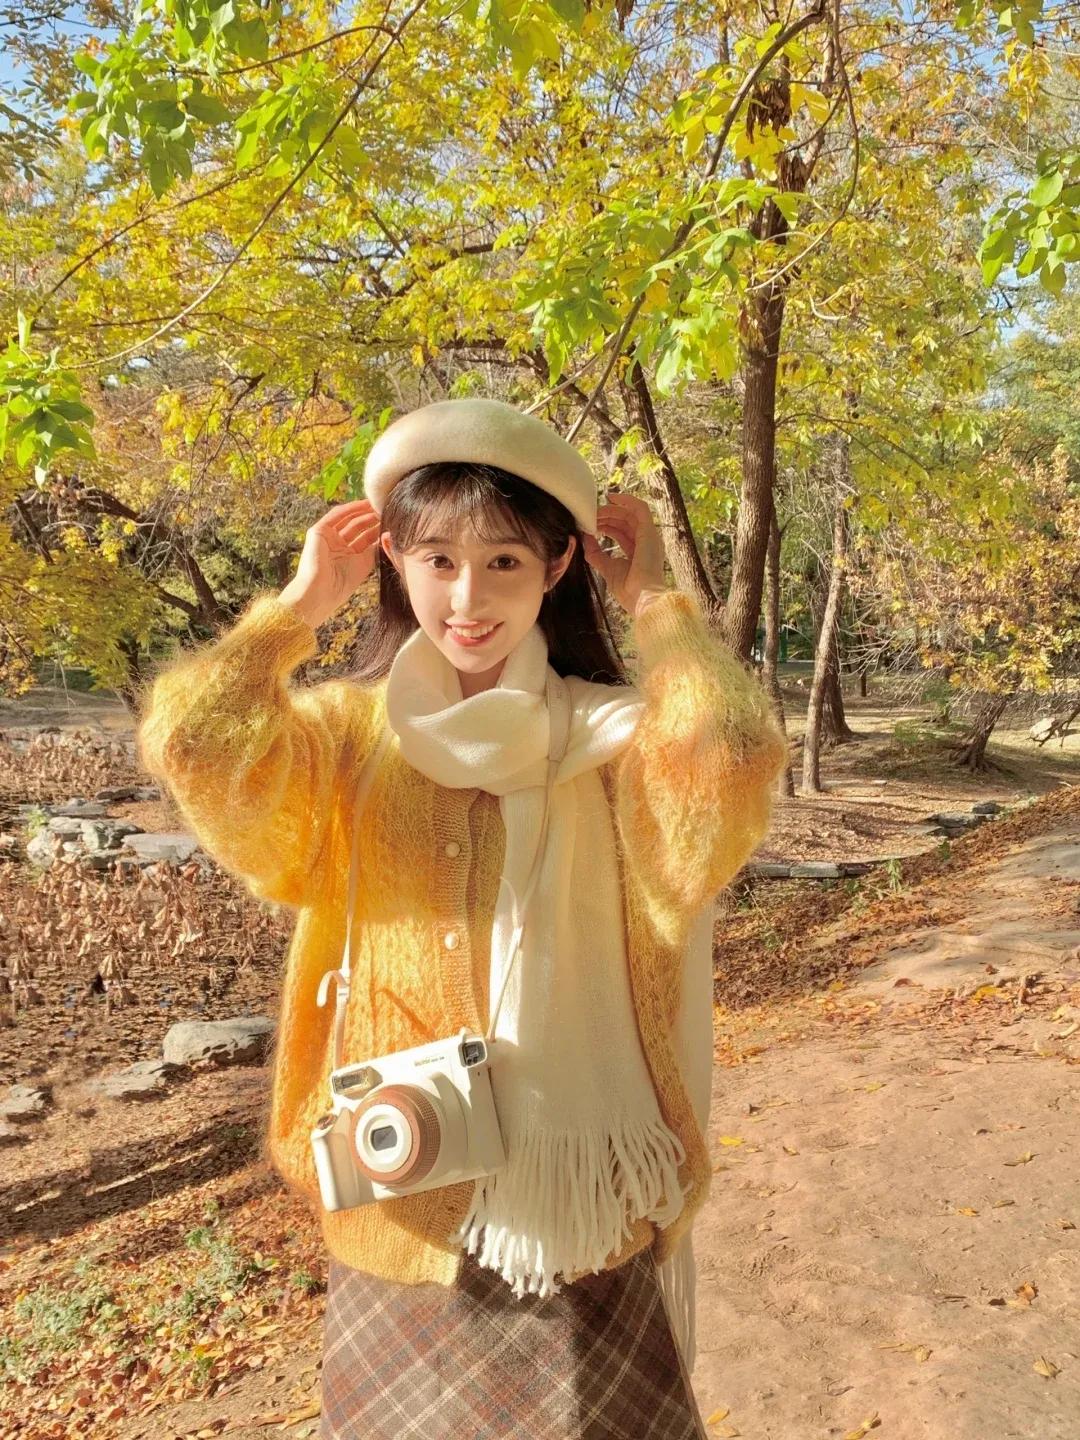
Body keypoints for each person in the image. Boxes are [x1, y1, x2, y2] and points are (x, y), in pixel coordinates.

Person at [136, 397, 788, 1439]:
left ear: (558, 568)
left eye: (504, 563)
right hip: (405, 1190)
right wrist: (296, 609)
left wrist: (656, 602)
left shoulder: (616, 741)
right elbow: (194, 744)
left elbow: (732, 755)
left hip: (576, 1204)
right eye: (437, 560)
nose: (468, 597)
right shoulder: (348, 739)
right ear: (394, 559)